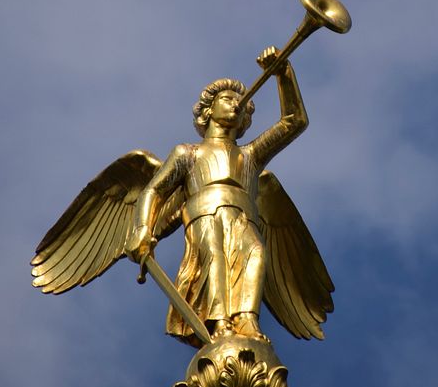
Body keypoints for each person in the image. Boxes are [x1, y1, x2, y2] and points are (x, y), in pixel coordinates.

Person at [125, 46, 308, 345]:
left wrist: (282, 73)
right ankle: (219, 322)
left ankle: (246, 319)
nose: (235, 104)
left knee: (256, 255)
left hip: (243, 216)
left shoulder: (250, 156)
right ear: (209, 109)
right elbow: (154, 190)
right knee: (214, 257)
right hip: (205, 214)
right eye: (227, 99)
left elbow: (294, 121)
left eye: (240, 102)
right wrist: (143, 229)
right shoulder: (189, 153)